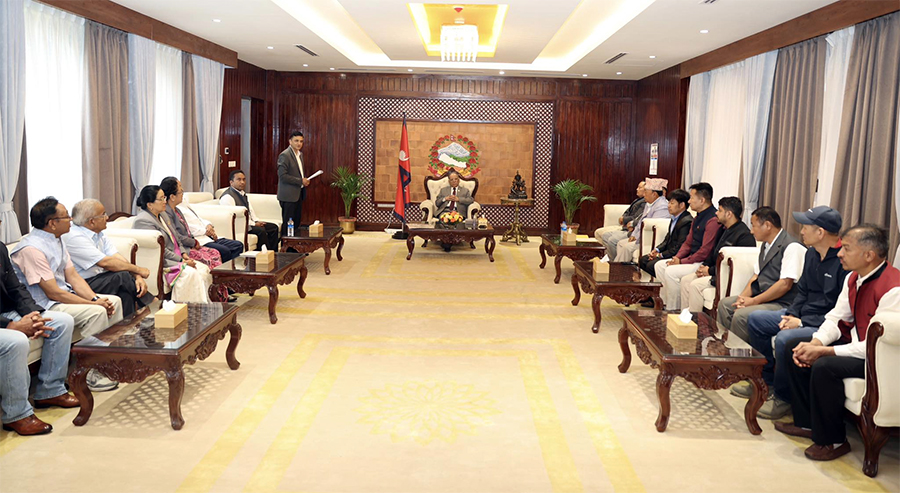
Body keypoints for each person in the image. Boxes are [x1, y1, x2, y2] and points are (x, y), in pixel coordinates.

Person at [777, 224, 900, 462]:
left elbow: (875, 347)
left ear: (869, 255)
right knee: (795, 346)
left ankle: (834, 441)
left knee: (825, 366)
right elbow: (836, 317)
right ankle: (807, 423)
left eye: (846, 248)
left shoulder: (893, 289)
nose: (840, 253)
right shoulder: (853, 277)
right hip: (859, 346)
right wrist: (815, 343)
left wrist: (825, 351)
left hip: (881, 361)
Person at [731, 206, 848, 419]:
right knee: (756, 319)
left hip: (823, 324)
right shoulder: (812, 254)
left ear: (820, 232)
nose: (801, 231)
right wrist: (792, 315)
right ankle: (764, 382)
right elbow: (802, 291)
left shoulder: (844, 262)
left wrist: (800, 322)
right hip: (801, 315)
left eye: (805, 227)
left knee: (785, 338)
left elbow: (839, 310)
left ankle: (783, 398)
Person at [10, 197, 123, 392]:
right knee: (96, 312)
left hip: (61, 296)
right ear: (52, 223)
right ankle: (90, 373)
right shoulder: (31, 249)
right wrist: (93, 305)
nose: (71, 220)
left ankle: (107, 362)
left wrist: (96, 299)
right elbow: (53, 292)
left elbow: (73, 276)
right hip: (44, 304)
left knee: (114, 302)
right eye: (66, 217)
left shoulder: (57, 239)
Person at [1, 242, 78, 435]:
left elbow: (16, 288)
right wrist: (10, 325)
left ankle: (51, 390)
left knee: (61, 322)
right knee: (15, 341)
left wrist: (33, 315)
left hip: (7, 311)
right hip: (3, 321)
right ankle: (17, 414)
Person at [717, 206, 806, 344]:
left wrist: (754, 301)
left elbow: (785, 284)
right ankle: (724, 344)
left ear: (768, 225)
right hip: (763, 297)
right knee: (725, 304)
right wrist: (742, 299)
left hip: (782, 302)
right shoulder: (765, 246)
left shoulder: (792, 247)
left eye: (754, 226)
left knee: (741, 315)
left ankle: (739, 352)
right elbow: (756, 276)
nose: (751, 231)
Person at [64, 199, 155, 318]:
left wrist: (137, 276)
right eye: (103, 214)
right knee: (122, 277)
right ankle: (153, 305)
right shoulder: (74, 237)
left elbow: (116, 256)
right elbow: (106, 263)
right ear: (92, 221)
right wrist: (138, 270)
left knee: (125, 294)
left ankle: (129, 326)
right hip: (83, 283)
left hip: (100, 278)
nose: (107, 217)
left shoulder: (99, 233)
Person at [134, 186, 212, 303]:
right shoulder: (143, 221)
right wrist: (181, 261)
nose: (165, 201)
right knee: (190, 273)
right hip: (163, 261)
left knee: (203, 269)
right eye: (161, 199)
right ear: (150, 205)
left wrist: (184, 254)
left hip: (178, 256)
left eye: (164, 197)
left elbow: (176, 237)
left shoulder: (163, 214)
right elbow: (161, 250)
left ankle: (203, 306)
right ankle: (184, 308)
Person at [680, 197, 756, 312]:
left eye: (720, 210)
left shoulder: (744, 236)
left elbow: (736, 266)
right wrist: (704, 266)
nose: (716, 213)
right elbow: (714, 253)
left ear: (729, 214)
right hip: (715, 271)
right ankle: (684, 317)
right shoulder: (723, 229)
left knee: (695, 285)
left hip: (725, 276)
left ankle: (696, 320)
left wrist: (709, 271)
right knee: (686, 280)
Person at [654, 182, 722, 310]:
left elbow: (705, 251)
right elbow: (688, 242)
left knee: (670, 272)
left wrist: (681, 261)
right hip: (691, 259)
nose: (689, 201)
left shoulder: (712, 219)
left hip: (700, 262)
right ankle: (664, 304)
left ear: (702, 200)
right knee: (660, 265)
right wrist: (677, 257)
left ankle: (673, 309)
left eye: (691, 198)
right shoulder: (697, 217)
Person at [160, 177, 224, 268]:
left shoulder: (177, 209)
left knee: (215, 252)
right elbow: (176, 236)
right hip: (183, 248)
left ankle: (221, 276)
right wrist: (193, 242)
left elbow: (188, 230)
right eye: (180, 191)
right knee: (212, 256)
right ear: (172, 197)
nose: (182, 192)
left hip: (191, 244)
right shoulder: (166, 213)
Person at [220, 169, 279, 251]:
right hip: (240, 226)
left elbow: (250, 210)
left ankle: (273, 253)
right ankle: (263, 254)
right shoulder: (227, 197)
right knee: (261, 231)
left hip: (249, 223)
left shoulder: (242, 193)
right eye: (239, 180)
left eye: (244, 179)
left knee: (273, 227)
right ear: (231, 182)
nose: (242, 182)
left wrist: (256, 221)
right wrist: (254, 224)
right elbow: (233, 217)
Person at [614, 178, 671, 262]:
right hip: (641, 236)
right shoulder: (649, 203)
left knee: (626, 247)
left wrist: (637, 237)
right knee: (620, 243)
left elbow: (649, 226)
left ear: (654, 194)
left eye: (646, 192)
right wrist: (634, 235)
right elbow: (641, 221)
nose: (644, 194)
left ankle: (619, 269)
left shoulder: (662, 206)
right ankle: (617, 267)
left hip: (649, 239)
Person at [639, 189, 692, 278]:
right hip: (669, 253)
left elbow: (680, 246)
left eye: (672, 203)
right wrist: (657, 250)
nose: (669, 206)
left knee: (651, 265)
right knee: (643, 259)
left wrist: (660, 255)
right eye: (669, 202)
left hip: (677, 256)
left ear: (682, 205)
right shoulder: (674, 218)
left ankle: (662, 284)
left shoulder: (686, 222)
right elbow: (667, 239)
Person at [599, 181, 647, 258]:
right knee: (605, 236)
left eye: (639, 187)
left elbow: (636, 218)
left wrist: (625, 220)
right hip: (626, 227)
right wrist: (623, 217)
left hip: (631, 230)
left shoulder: (645, 203)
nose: (637, 189)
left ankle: (614, 262)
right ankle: (611, 259)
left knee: (612, 240)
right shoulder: (637, 200)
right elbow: (627, 211)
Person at [276, 131, 310, 237]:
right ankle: (286, 245)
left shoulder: (300, 155)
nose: (299, 143)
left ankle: (294, 245)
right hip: (288, 196)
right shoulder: (285, 155)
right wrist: (300, 181)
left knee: (296, 222)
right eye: (296, 141)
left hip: (298, 193)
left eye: (301, 141)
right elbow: (283, 176)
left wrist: (304, 181)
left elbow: (298, 173)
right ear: (290, 141)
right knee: (288, 224)